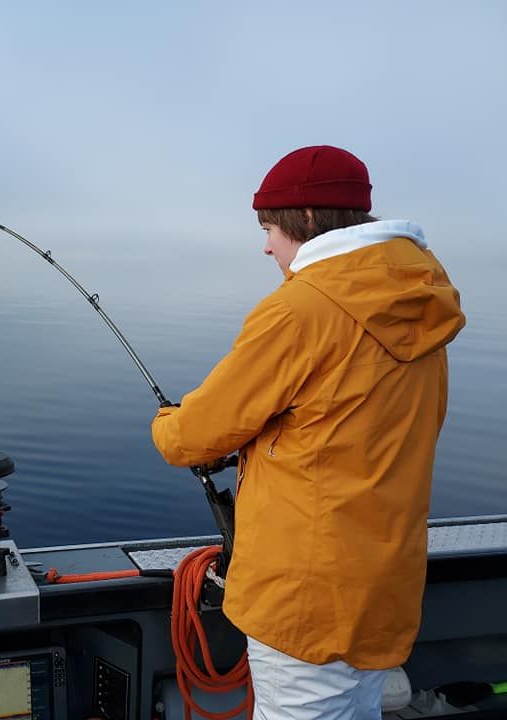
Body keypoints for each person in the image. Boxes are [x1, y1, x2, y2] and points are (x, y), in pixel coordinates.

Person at [151, 145, 466, 719]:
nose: (265, 244)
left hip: (304, 602)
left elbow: (191, 438)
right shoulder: (420, 302)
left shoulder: (300, 310)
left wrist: (167, 421)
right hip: (382, 586)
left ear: (309, 221)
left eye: (268, 227)